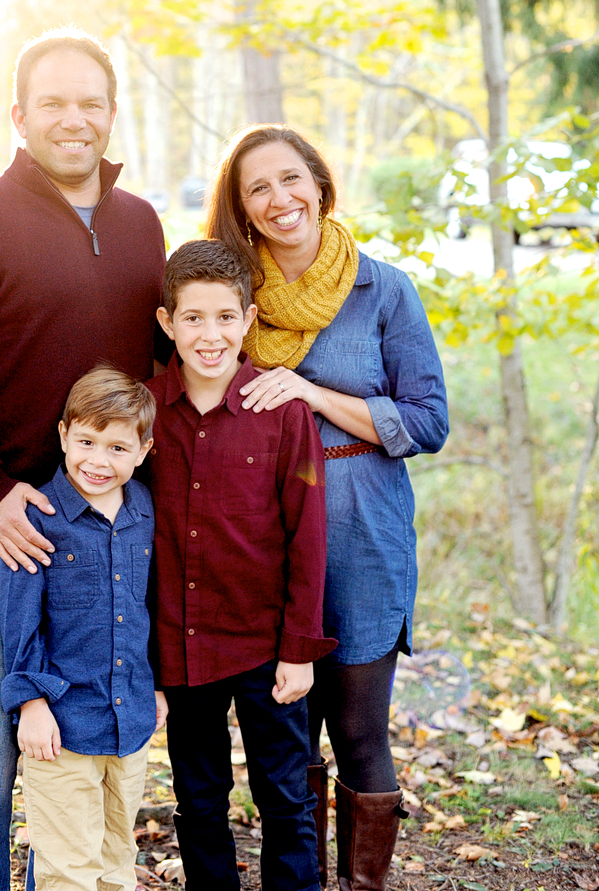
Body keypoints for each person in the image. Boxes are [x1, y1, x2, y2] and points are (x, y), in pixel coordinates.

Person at [0, 29, 167, 891]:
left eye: (90, 101)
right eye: (52, 101)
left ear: (112, 114)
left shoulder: (140, 226)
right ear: (19, 115)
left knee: (85, 740)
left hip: (106, 530)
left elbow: (158, 373)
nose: (73, 118)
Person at [205, 125, 449, 891]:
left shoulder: (385, 288)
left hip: (361, 531)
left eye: (290, 179)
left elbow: (427, 421)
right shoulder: (232, 300)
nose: (280, 200)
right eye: (258, 189)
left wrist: (312, 392)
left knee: (357, 731)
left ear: (319, 183)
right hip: (262, 538)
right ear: (242, 210)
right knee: (286, 738)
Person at [147, 239, 337, 891]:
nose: (210, 334)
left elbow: (308, 538)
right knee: (199, 804)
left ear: (249, 319)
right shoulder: (143, 414)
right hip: (181, 644)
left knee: (286, 799)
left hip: (265, 646)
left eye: (226, 317)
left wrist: (300, 648)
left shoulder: (283, 415)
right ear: (167, 322)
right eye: (193, 318)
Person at [0, 366, 167, 891]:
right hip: (62, 727)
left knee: (117, 855)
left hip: (129, 721)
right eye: (87, 441)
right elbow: (19, 620)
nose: (99, 460)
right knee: (67, 870)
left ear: (143, 451)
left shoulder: (144, 510)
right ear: (64, 434)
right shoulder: (39, 517)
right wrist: (31, 703)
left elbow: (147, 607)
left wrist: (155, 684)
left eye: (118, 448)